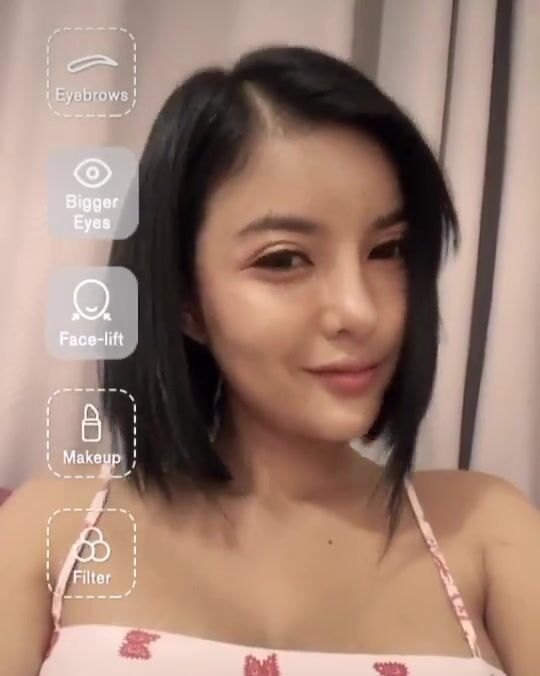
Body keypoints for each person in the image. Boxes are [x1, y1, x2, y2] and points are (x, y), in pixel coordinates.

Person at [1, 45, 538, 676]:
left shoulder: (486, 531)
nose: (359, 310)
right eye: (284, 259)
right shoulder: (55, 528)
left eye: (387, 249)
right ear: (186, 301)